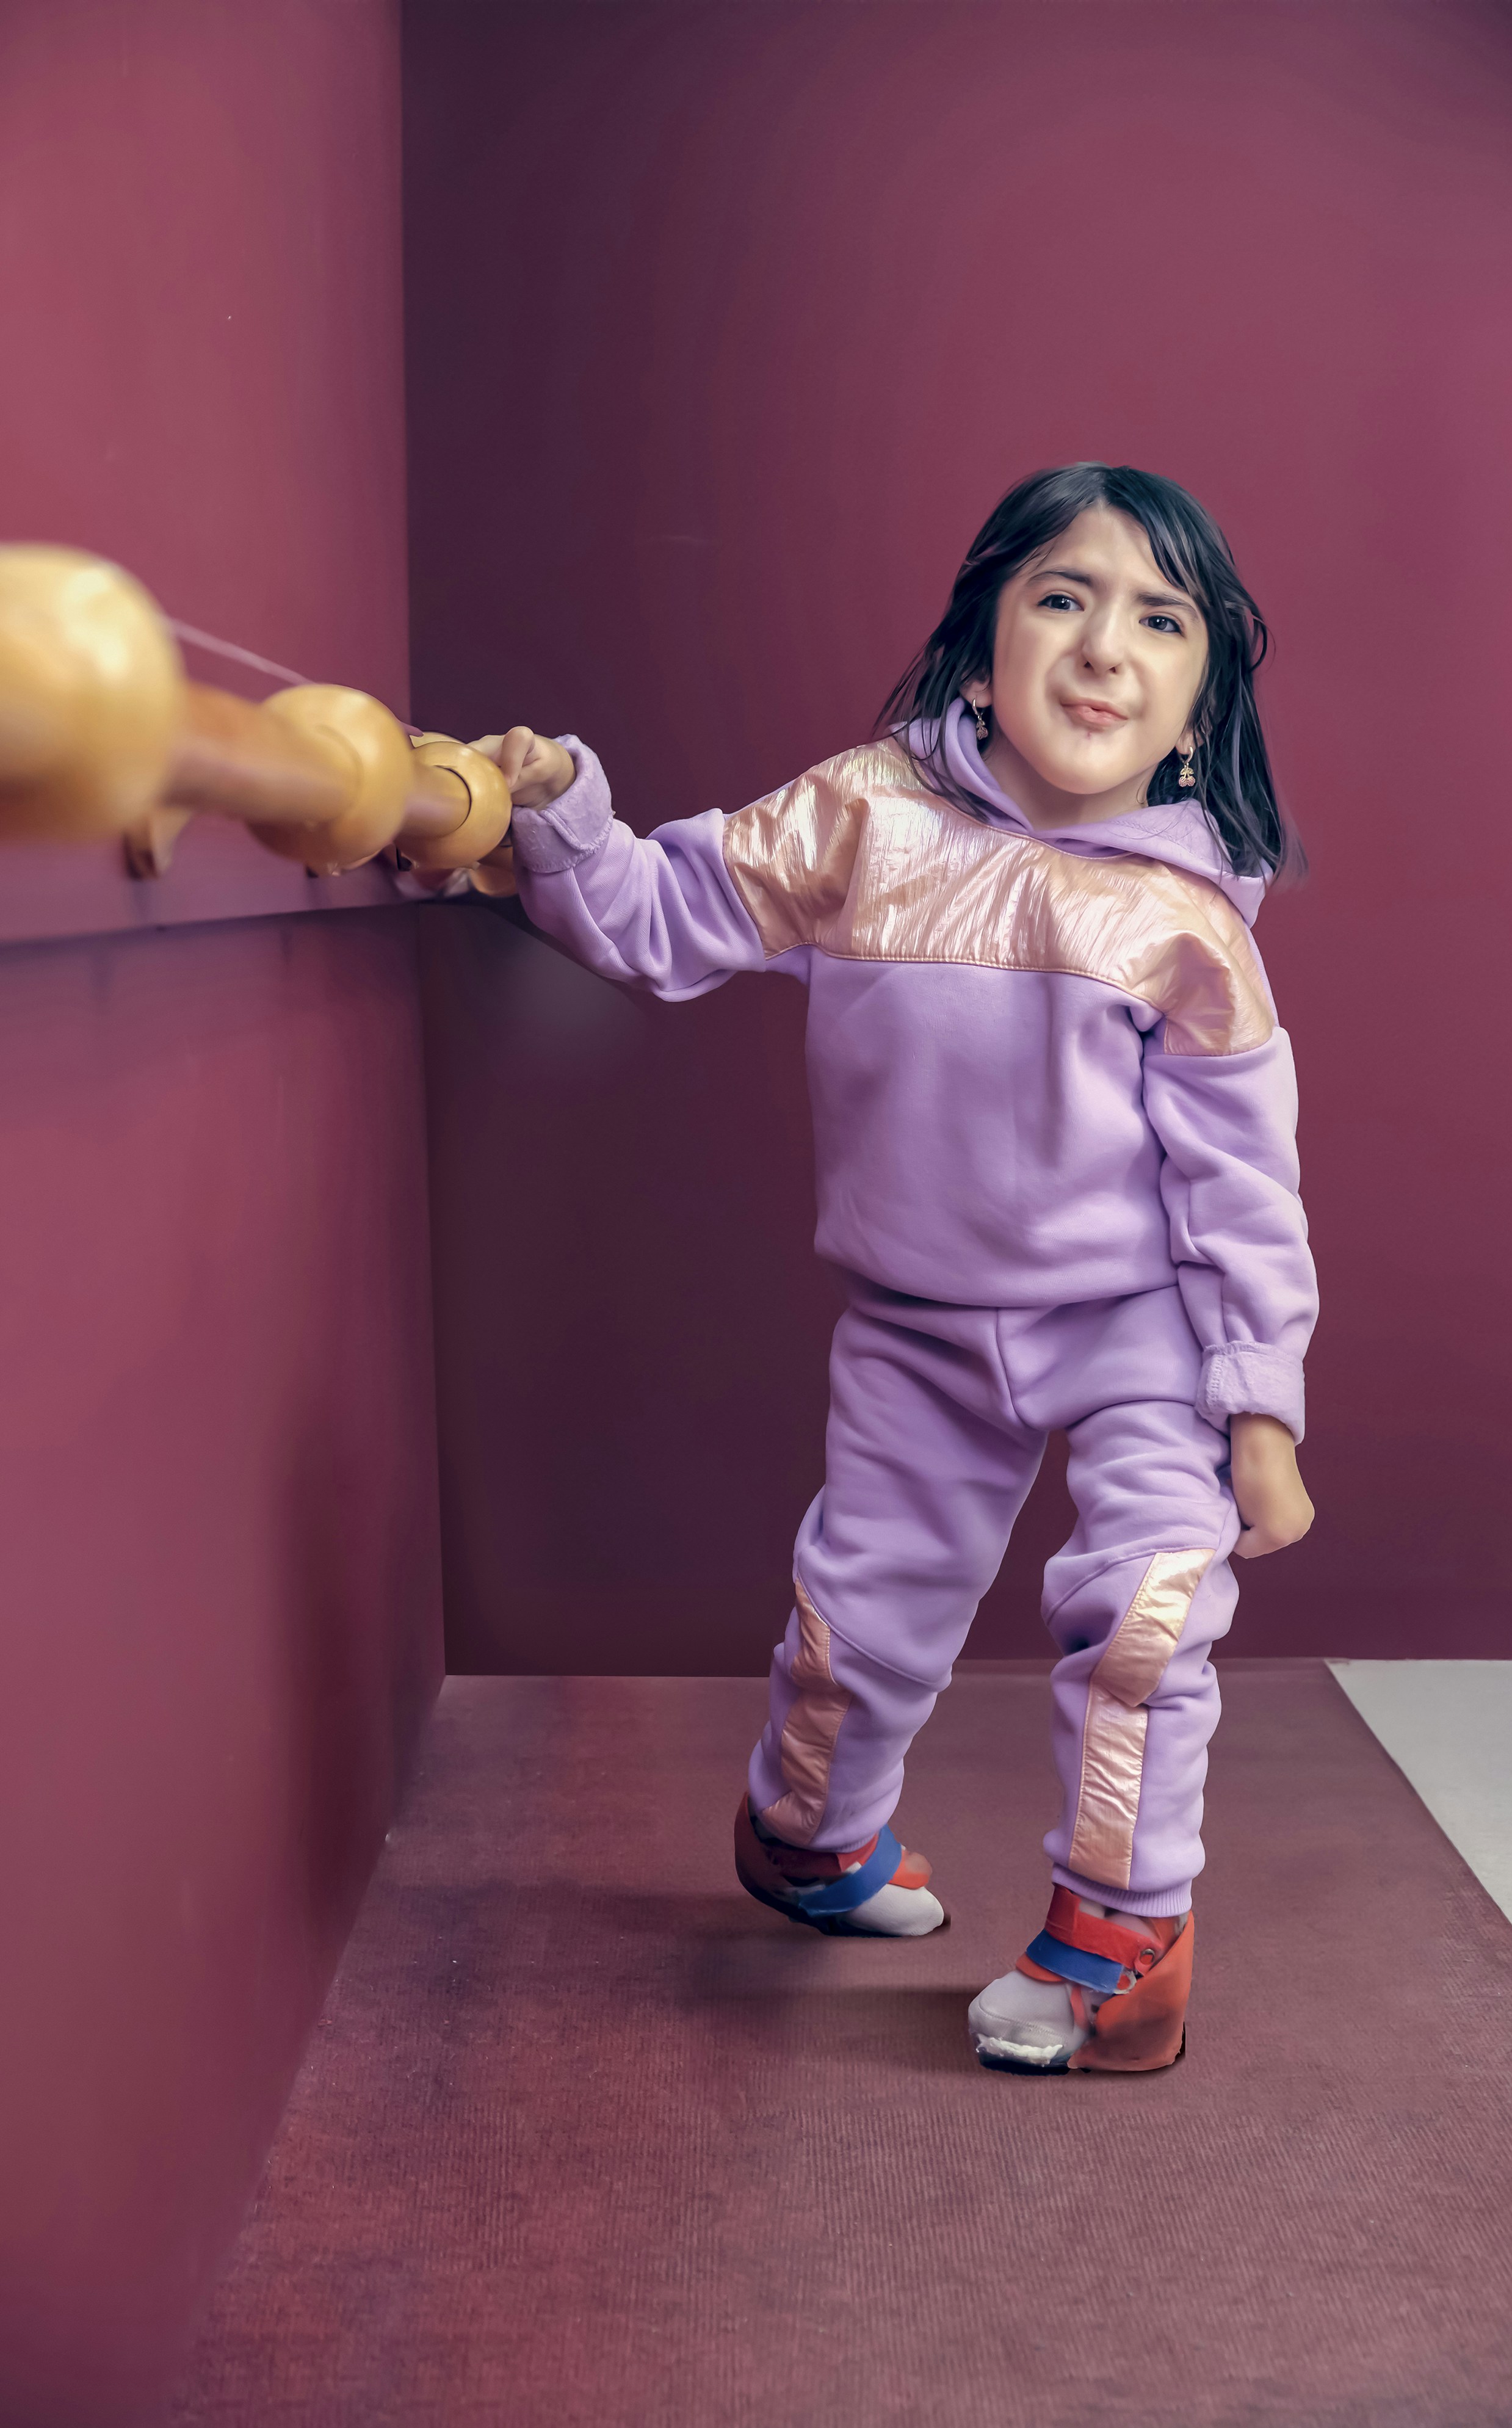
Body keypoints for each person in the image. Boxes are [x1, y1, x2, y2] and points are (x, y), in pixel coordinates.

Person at [481, 463, 1317, 2073]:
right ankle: (808, 1837)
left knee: (1146, 1607)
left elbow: (1243, 1185)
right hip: (922, 1325)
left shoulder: (1189, 925)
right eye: (1059, 598)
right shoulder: (864, 818)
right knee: (858, 1624)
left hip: (1139, 1320)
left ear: (1197, 705)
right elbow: (651, 917)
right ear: (979, 641)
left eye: (1159, 620)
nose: (1101, 646)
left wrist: (1258, 1404)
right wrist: (554, 810)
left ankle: (1118, 1943)